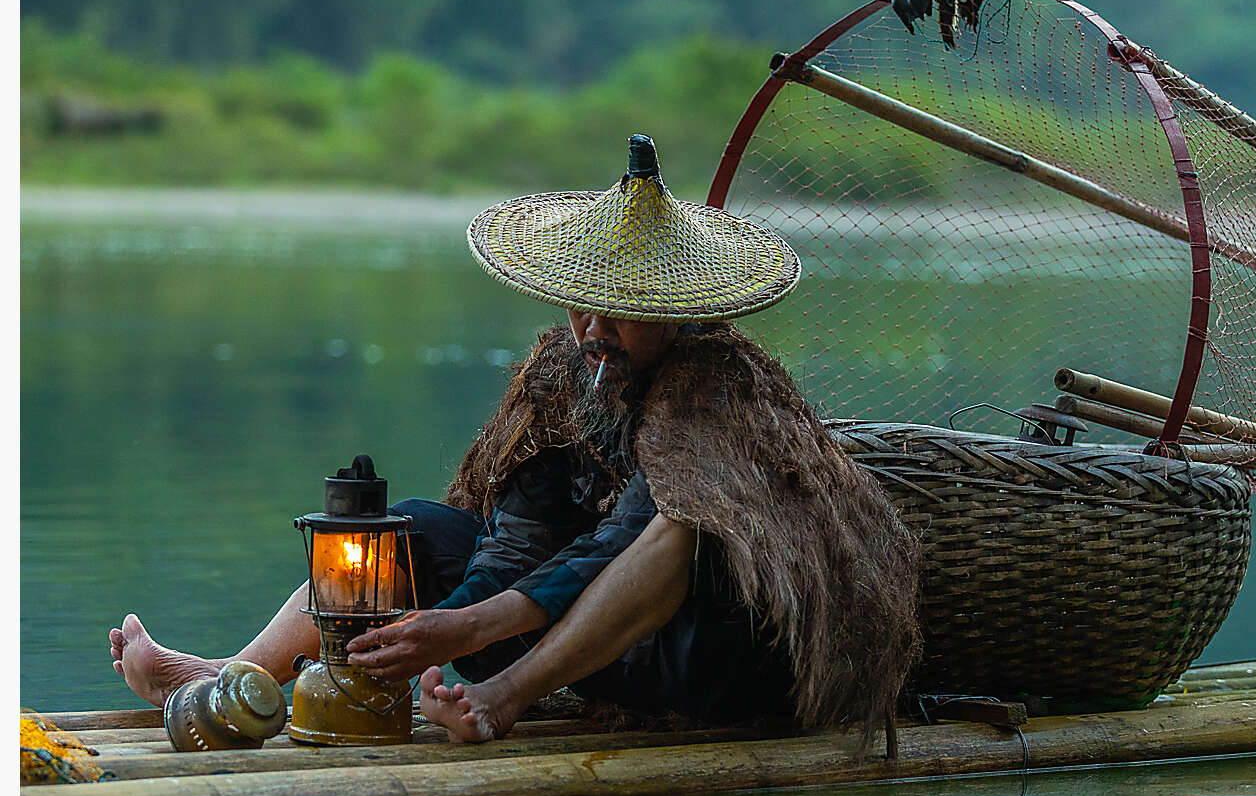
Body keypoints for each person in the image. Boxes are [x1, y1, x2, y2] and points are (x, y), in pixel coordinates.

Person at [111, 135, 920, 747]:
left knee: (678, 530)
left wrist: (466, 633)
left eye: (623, 312)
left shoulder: (717, 387)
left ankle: (505, 699)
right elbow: (517, 541)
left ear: (675, 313)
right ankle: (234, 679)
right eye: (582, 306)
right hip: (587, 643)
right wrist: (436, 630)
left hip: (714, 664)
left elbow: (618, 544)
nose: (595, 330)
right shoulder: (566, 372)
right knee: (417, 533)